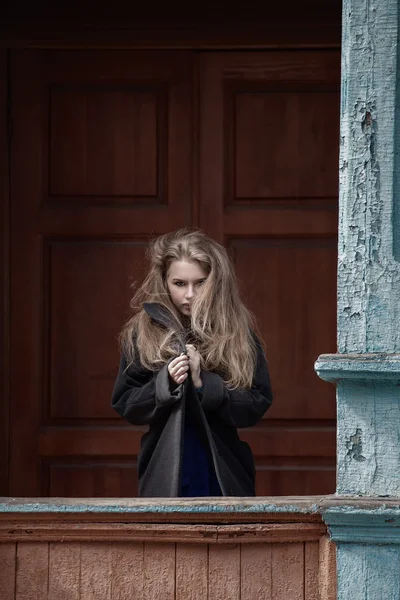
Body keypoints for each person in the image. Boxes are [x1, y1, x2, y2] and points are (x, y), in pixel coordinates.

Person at [111, 229, 272, 497]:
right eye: (179, 283)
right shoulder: (143, 331)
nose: (190, 294)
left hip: (223, 472)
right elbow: (125, 402)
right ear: (164, 282)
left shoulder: (238, 332)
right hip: (165, 469)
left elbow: (257, 402)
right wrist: (165, 383)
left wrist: (204, 384)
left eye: (200, 283)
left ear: (215, 281)